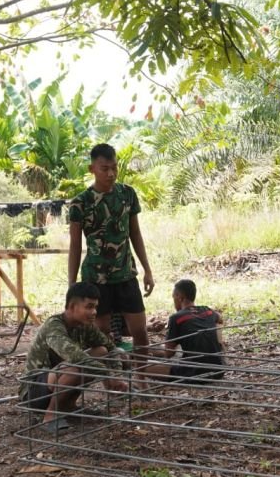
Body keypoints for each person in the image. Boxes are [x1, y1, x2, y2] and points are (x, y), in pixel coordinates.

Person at [68, 143, 154, 360]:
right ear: (92, 169)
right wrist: (72, 284)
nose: (111, 173)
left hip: (126, 274)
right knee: (102, 335)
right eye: (104, 168)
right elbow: (75, 245)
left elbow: (135, 233)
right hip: (96, 278)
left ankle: (142, 377)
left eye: (114, 167)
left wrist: (147, 269)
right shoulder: (80, 203)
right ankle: (112, 377)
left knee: (140, 331)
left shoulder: (127, 194)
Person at [21, 282, 129, 433]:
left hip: (57, 380)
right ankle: (50, 415)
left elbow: (110, 348)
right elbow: (76, 357)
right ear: (72, 306)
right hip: (34, 391)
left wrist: (116, 375)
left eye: (95, 307)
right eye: (89, 307)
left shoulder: (85, 325)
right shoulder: (54, 326)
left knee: (101, 351)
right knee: (78, 366)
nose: (94, 312)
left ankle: (68, 406)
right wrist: (108, 375)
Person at [141, 279, 225, 384]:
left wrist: (153, 351)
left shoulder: (176, 318)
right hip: (218, 369)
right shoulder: (207, 311)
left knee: (141, 364)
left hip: (195, 374)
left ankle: (131, 363)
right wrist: (219, 342)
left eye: (173, 297)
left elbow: (169, 353)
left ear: (179, 297)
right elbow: (220, 319)